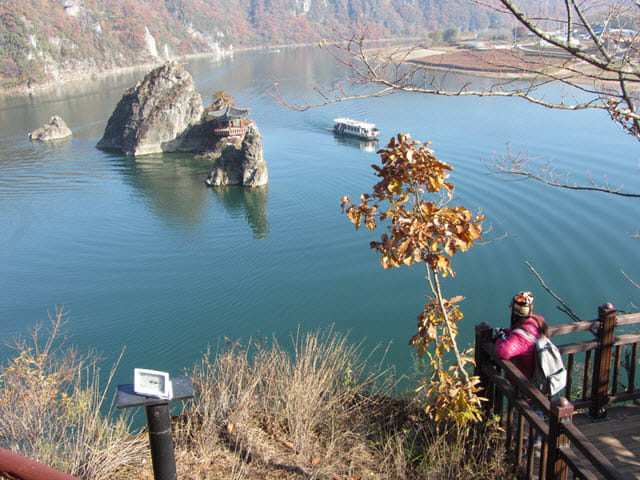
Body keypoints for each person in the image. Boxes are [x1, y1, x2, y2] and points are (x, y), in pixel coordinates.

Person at [494, 291, 548, 448]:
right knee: (537, 409)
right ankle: (534, 439)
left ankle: (531, 444)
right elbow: (523, 334)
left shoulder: (520, 335)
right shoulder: (538, 321)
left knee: (529, 413)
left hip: (528, 382)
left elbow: (503, 351)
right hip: (541, 377)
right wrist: (509, 332)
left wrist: (500, 338)